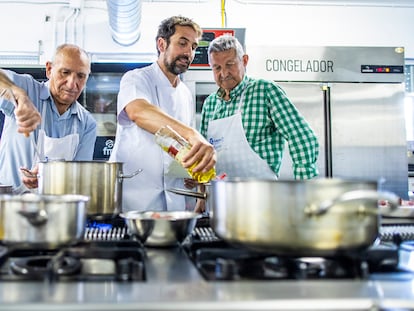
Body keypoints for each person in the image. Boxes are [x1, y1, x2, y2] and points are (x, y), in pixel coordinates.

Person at [109, 15, 216, 213]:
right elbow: (138, 112)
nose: (189, 53)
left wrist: (199, 187)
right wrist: (192, 134)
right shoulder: (136, 79)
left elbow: (185, 148)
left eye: (193, 47)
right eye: (182, 43)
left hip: (175, 202)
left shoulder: (185, 94)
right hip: (135, 201)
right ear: (161, 44)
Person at [200, 35, 319, 180]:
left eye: (230, 64)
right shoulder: (210, 104)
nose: (224, 73)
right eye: (217, 68)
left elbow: (302, 137)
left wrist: (304, 188)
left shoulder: (265, 90)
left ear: (244, 61)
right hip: (222, 197)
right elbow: (204, 156)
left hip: (262, 196)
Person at [0, 43, 97, 193]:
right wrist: (20, 96)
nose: (72, 84)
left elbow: (79, 179)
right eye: (65, 72)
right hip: (9, 206)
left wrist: (51, 174)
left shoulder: (87, 123)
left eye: (80, 76)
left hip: (55, 209)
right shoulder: (28, 88)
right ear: (49, 69)